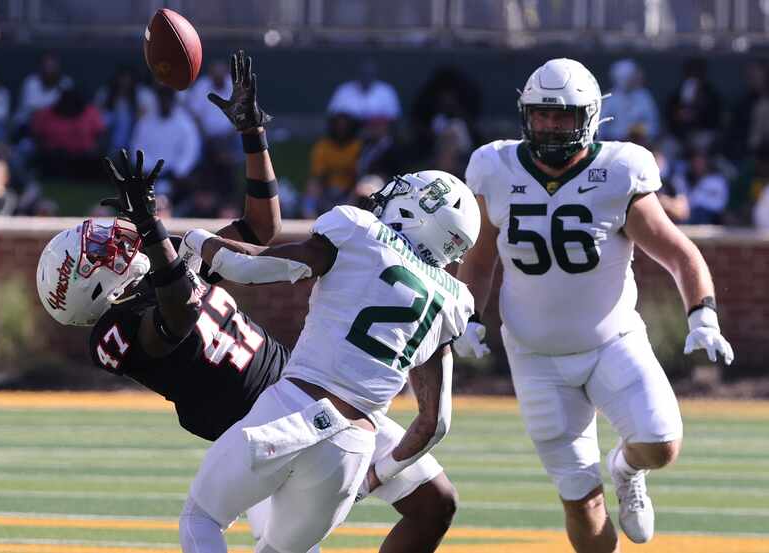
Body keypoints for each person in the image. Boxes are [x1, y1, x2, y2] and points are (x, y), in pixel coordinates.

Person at [37, 50, 464, 553]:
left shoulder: (166, 267)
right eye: (97, 253)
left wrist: (252, 135)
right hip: (261, 424)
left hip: (309, 388)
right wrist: (154, 229)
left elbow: (262, 228)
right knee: (243, 534)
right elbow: (178, 314)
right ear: (92, 290)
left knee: (436, 501)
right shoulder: (115, 333)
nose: (112, 241)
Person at [455, 58, 734, 553]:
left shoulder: (618, 169)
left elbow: (678, 253)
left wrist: (702, 314)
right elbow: (479, 261)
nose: (551, 125)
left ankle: (625, 471)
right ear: (526, 114)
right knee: (580, 501)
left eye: (563, 115)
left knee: (662, 445)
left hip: (612, 342)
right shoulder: (494, 167)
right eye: (542, 114)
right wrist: (470, 316)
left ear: (590, 116)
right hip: (536, 357)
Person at [178, 164, 478, 553]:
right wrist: (375, 477)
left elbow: (248, 266)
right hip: (353, 449)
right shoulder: (451, 303)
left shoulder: (359, 231)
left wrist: (192, 239)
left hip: (291, 408)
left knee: (201, 519)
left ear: (417, 211)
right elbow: (435, 424)